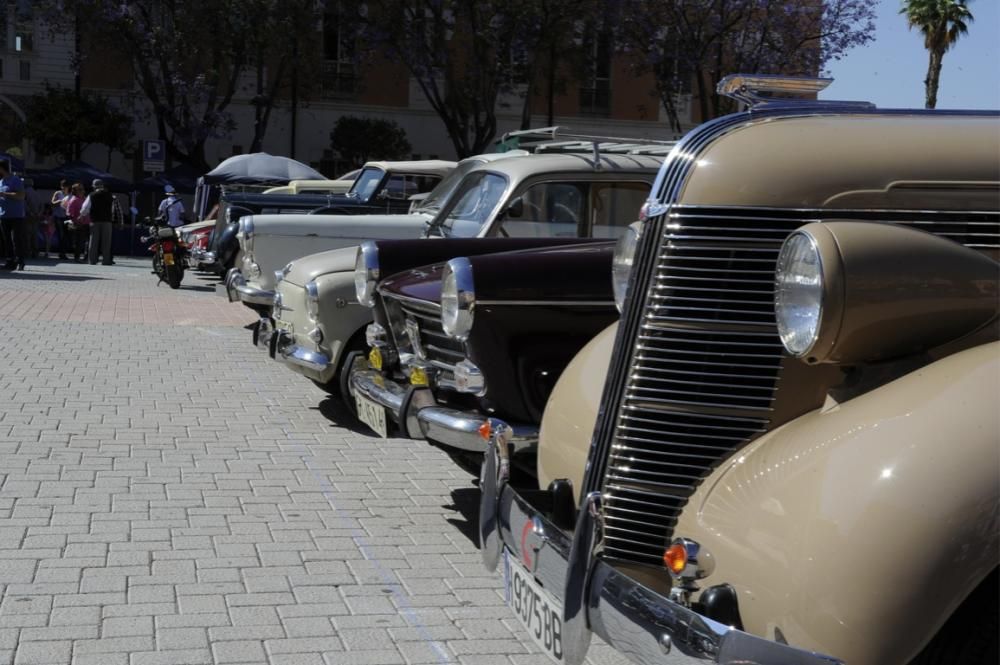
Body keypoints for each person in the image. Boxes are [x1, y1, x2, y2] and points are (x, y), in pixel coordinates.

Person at [80, 179, 123, 266]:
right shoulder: (111, 196)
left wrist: (82, 214)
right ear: (102, 186)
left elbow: (85, 209)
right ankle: (106, 260)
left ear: (94, 186)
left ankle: (92, 260)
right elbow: (116, 210)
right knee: (106, 242)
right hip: (107, 221)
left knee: (93, 241)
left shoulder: (91, 195)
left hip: (94, 221)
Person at [0, 159, 28, 270]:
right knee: (6, 240)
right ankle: (10, 261)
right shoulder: (1, 182)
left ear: (2, 168)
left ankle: (20, 261)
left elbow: (21, 196)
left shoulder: (15, 180)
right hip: (3, 215)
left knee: (16, 239)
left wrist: (4, 194)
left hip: (16, 216)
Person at [62, 183, 88, 262]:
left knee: (84, 242)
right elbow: (69, 214)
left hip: (86, 223)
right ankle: (77, 257)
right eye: (80, 189)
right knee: (78, 242)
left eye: (83, 189)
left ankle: (85, 257)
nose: (83, 191)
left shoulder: (84, 199)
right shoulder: (73, 200)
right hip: (78, 225)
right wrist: (75, 222)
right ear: (75, 191)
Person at [52, 180, 71, 260]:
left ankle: (63, 252)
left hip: (67, 217)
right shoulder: (58, 193)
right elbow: (52, 202)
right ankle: (61, 253)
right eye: (63, 186)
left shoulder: (70, 195)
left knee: (66, 235)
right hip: (58, 217)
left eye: (66, 186)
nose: (64, 188)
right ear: (61, 186)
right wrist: (60, 201)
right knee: (61, 235)